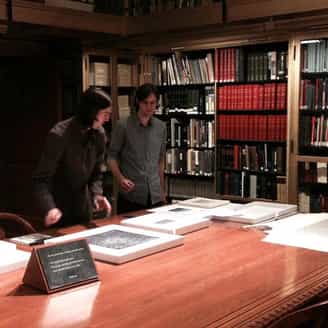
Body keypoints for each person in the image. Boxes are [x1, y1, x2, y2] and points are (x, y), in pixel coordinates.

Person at [33, 87, 112, 227]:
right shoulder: (59, 135)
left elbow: (96, 173)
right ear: (91, 112)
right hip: (58, 211)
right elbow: (41, 180)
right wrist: (49, 207)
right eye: (105, 113)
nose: (107, 118)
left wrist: (97, 194)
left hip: (83, 210)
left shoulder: (99, 133)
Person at [109, 83, 166, 214]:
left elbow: (161, 160)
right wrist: (120, 178)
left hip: (155, 195)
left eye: (153, 103)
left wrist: (163, 191)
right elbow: (111, 157)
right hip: (131, 195)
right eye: (145, 103)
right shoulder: (123, 126)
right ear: (138, 102)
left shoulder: (161, 127)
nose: (149, 107)